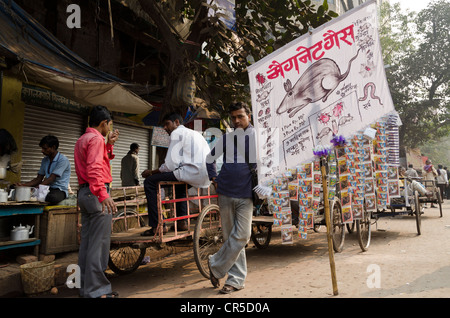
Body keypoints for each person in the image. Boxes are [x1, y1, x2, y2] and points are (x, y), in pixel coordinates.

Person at [205, 101, 256, 294]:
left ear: (248, 116)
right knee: (230, 238)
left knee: (242, 236)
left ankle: (215, 265)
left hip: (247, 193)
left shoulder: (258, 136)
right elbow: (210, 158)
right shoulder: (227, 138)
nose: (236, 120)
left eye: (240, 116)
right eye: (233, 117)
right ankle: (235, 280)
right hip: (225, 191)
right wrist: (213, 178)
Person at [74, 105, 119, 298]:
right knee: (98, 244)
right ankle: (97, 291)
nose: (110, 128)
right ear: (103, 123)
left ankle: (84, 289)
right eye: (109, 125)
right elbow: (94, 169)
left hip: (84, 194)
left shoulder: (83, 139)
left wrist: (109, 145)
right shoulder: (96, 139)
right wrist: (103, 194)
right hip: (95, 194)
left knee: (87, 244)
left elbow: (96, 162)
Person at [141, 112, 211, 236]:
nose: (165, 128)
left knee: (149, 182)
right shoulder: (195, 133)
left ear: (177, 123)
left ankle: (158, 226)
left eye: (167, 124)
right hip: (203, 175)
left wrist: (151, 172)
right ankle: (182, 222)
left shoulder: (177, 133)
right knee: (180, 185)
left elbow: (169, 166)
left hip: (191, 172)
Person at [17, 135, 70, 204]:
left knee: (51, 197)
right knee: (31, 194)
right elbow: (38, 179)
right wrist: (23, 185)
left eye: (45, 148)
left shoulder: (63, 160)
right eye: (42, 148)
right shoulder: (45, 160)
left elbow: (51, 178)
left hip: (59, 190)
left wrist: (37, 188)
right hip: (47, 188)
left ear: (53, 147)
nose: (42, 151)